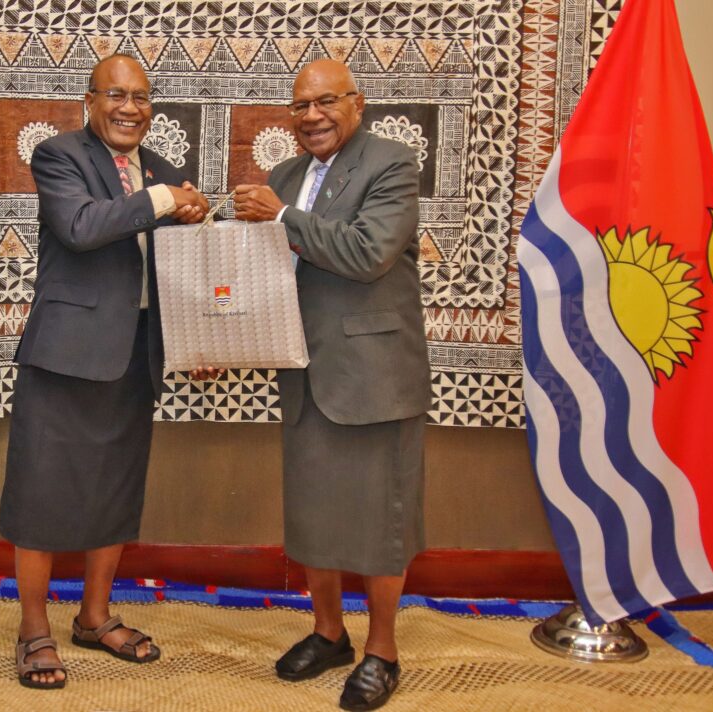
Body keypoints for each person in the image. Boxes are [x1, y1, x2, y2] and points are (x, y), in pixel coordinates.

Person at [0, 53, 213, 689]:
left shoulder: (165, 171)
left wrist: (196, 216)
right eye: (115, 94)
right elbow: (80, 226)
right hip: (65, 354)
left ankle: (94, 617)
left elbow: (181, 271)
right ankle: (33, 628)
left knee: (116, 491)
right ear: (88, 102)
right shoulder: (59, 155)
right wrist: (163, 200)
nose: (129, 107)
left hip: (136, 354)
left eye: (142, 97)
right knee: (42, 490)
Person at [233, 59, 430, 711]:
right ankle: (328, 633)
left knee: (381, 520)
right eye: (300, 106)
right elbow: (258, 273)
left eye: (326, 102)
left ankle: (382, 650)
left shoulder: (393, 163)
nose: (312, 115)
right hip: (304, 367)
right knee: (314, 514)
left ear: (358, 103)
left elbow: (367, 253)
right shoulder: (285, 175)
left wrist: (284, 216)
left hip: (374, 371)